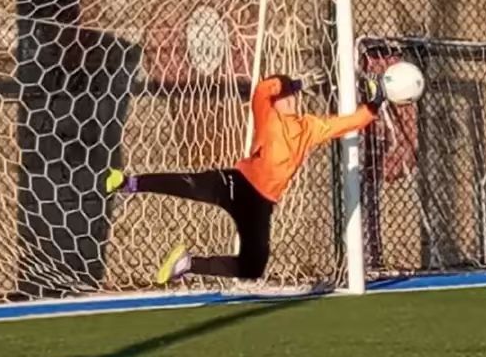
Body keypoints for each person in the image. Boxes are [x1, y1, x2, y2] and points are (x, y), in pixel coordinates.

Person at [103, 63, 424, 284]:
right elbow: (263, 88)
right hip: (238, 183)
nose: (290, 99)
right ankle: (128, 182)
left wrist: (375, 103)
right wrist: (292, 82)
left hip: (260, 203)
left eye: (292, 96)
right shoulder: (266, 113)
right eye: (285, 95)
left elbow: (350, 122)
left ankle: (187, 263)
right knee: (189, 185)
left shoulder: (310, 127)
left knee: (252, 266)